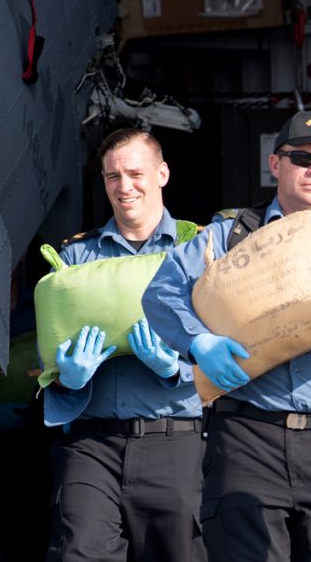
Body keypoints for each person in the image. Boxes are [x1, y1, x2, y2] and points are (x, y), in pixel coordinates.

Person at [142, 110, 311, 562]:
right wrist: (197, 342)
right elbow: (161, 294)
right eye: (303, 157)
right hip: (246, 440)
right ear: (275, 165)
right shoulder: (229, 236)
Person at [43, 128, 205, 562]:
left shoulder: (200, 253)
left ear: (163, 174)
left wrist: (174, 369)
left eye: (135, 173)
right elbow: (52, 353)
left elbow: (235, 348)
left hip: (176, 443)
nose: (124, 186)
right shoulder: (75, 260)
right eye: (112, 176)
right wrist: (68, 379)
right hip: (93, 443)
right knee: (81, 552)